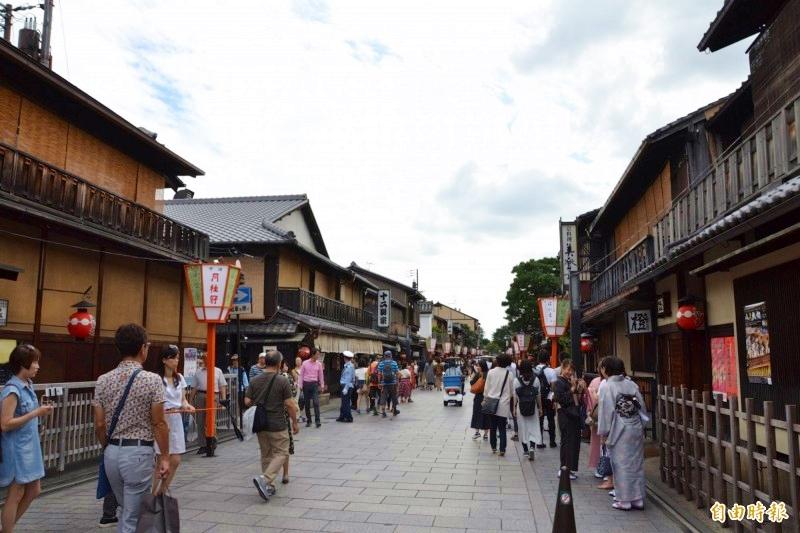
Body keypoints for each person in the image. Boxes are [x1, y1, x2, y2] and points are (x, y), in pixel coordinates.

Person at [93, 324, 170, 533]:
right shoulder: (152, 380)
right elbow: (159, 422)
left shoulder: (102, 380)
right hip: (138, 453)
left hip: (112, 453)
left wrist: (106, 446)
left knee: (126, 509)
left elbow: (99, 424)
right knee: (132, 517)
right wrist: (164, 456)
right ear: (143, 348)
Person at [0, 344, 54, 533]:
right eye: (35, 362)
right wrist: (36, 413)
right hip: (17, 448)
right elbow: (5, 424)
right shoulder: (12, 389)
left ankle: (7, 527)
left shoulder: (27, 385)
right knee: (15, 493)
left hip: (28, 445)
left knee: (34, 490)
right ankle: (7, 530)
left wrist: (39, 415)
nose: (38, 366)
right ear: (24, 364)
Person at [245, 350, 299, 501]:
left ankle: (268, 486)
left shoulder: (255, 380)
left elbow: (247, 401)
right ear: (279, 364)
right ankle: (265, 479)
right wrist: (294, 422)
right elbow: (289, 404)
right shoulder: (282, 380)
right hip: (277, 423)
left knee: (266, 454)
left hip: (260, 423)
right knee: (282, 452)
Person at [597, 356, 647, 510]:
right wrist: (642, 424)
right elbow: (641, 407)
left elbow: (606, 412)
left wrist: (604, 433)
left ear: (606, 369)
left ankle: (624, 500)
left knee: (621, 464)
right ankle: (638, 498)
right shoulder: (631, 384)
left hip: (619, 429)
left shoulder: (607, 386)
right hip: (635, 426)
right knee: (636, 463)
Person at [154, 345, 194, 492]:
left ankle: (162, 491)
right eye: (173, 358)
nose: (176, 360)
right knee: (160, 460)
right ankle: (152, 495)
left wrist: (187, 405)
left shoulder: (180, 378)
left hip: (176, 417)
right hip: (162, 418)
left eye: (177, 357)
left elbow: (183, 400)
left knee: (175, 459)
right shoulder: (157, 379)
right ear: (164, 360)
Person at [190, 353, 228, 456]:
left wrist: (223, 400)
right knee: (200, 420)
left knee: (211, 420)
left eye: (209, 358)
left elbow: (222, 386)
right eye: (205, 358)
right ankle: (202, 445)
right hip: (201, 395)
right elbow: (194, 387)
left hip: (213, 395)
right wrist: (191, 400)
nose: (207, 360)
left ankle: (212, 441)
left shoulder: (218, 371)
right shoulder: (198, 372)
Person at [553, 359, 584, 480]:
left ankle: (570, 469)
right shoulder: (559, 382)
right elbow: (562, 399)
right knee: (566, 442)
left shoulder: (569, 381)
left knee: (574, 443)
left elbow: (577, 399)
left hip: (573, 415)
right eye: (568, 369)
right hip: (565, 416)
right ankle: (563, 468)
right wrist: (572, 388)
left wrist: (579, 388)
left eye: (572, 370)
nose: (570, 372)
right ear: (562, 368)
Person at [483, 353, 514, 456]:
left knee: (493, 427)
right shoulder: (509, 374)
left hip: (492, 403)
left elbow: (486, 389)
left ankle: (493, 447)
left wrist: (485, 399)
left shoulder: (491, 372)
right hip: (504, 404)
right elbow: (511, 391)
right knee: (502, 428)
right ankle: (502, 449)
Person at [513, 359, 542, 461]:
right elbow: (538, 396)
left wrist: (513, 409)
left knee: (522, 428)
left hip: (521, 408)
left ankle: (525, 450)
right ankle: (532, 447)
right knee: (533, 428)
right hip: (532, 407)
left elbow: (515, 396)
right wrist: (540, 408)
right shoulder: (536, 380)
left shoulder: (517, 381)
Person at [279, 360, 297, 484]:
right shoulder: (286, 378)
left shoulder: (261, 378)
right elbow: (292, 396)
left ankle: (269, 477)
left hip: (267, 418)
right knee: (284, 448)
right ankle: (285, 474)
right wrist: (295, 422)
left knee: (270, 450)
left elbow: (248, 401)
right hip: (283, 417)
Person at [534, 352, 558, 449]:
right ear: (548, 359)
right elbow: (553, 387)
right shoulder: (551, 371)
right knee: (551, 419)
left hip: (537, 397)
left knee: (539, 419)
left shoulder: (534, 370)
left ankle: (539, 442)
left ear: (538, 359)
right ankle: (552, 441)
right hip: (548, 398)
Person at [298, 348, 325, 428]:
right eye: (317, 354)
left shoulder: (319, 364)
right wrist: (300, 385)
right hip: (306, 384)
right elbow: (301, 375)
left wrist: (322, 385)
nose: (318, 356)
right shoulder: (305, 363)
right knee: (307, 404)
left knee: (316, 402)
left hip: (314, 384)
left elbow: (321, 375)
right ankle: (309, 420)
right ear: (313, 354)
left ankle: (317, 421)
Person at [469, 359, 490, 440]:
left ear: (481, 366)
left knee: (477, 414)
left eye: (478, 366)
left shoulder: (478, 374)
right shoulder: (489, 374)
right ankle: (485, 434)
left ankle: (477, 432)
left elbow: (472, 383)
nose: (477, 367)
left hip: (479, 397)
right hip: (487, 397)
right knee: (486, 415)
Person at [377, 351, 399, 418]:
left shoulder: (381, 363)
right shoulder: (394, 363)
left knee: (383, 397)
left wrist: (379, 382)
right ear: (391, 356)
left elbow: (379, 374)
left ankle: (383, 412)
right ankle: (394, 410)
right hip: (393, 383)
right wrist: (397, 381)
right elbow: (397, 373)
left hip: (384, 383)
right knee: (393, 396)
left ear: (384, 356)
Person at [337, 351, 355, 423]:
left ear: (345, 358)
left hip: (346, 386)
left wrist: (346, 388)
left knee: (346, 403)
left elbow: (349, 378)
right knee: (344, 402)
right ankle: (342, 416)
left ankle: (349, 417)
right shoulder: (348, 365)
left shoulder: (349, 366)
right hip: (346, 385)